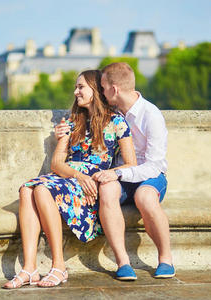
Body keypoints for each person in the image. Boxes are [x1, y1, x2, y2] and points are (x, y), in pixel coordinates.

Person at [3, 69, 136, 289]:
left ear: (95, 90)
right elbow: (56, 164)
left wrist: (102, 177)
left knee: (41, 190)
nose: (76, 92)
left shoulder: (117, 122)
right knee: (26, 190)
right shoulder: (72, 122)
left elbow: (131, 163)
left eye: (81, 87)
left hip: (91, 185)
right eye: (76, 87)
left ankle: (59, 265)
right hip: (70, 178)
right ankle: (29, 268)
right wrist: (78, 174)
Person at [55, 62, 175, 280]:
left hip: (150, 177)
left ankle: (165, 259)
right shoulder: (112, 112)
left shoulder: (151, 115)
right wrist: (62, 131)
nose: (100, 91)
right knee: (108, 191)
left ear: (114, 89)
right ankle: (123, 262)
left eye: (102, 86)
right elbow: (86, 127)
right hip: (119, 177)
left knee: (145, 197)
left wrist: (119, 173)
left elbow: (154, 165)